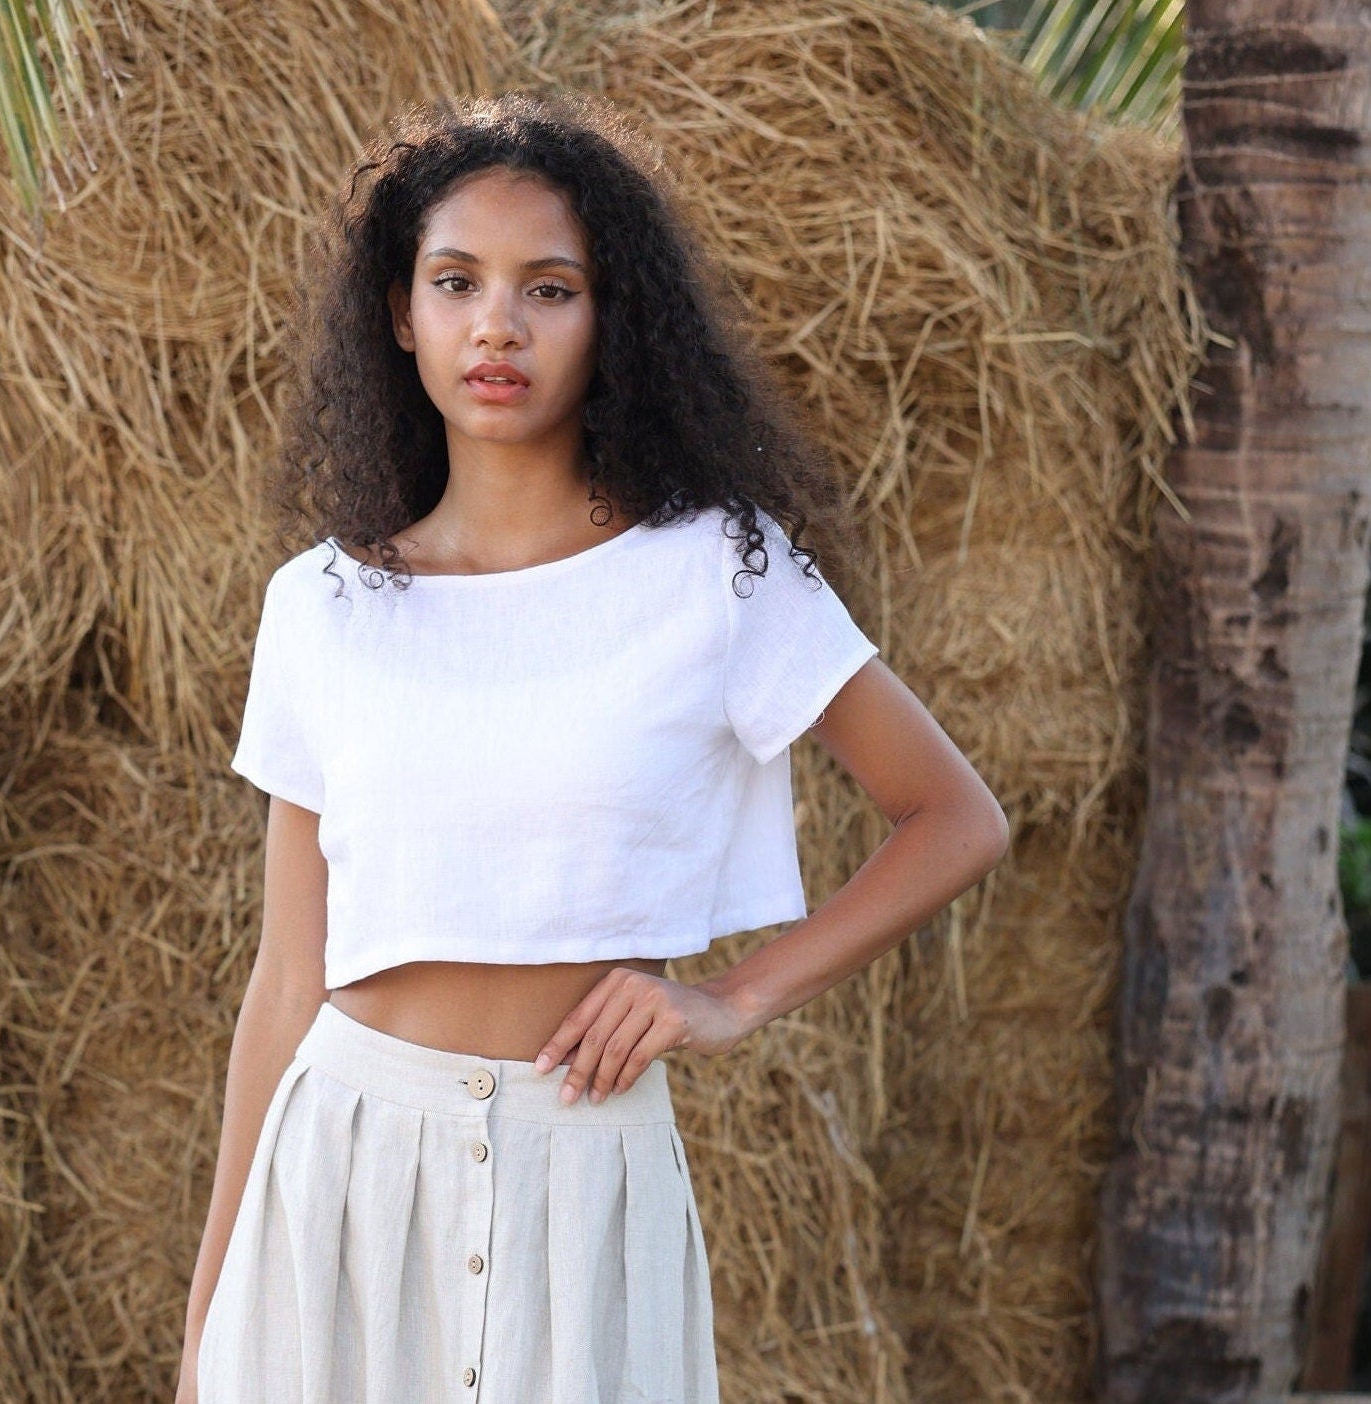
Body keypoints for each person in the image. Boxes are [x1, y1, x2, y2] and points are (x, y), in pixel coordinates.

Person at [176, 89, 1008, 1404]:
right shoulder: (322, 606)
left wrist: (732, 998)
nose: (495, 323)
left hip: (587, 1175)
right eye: (455, 281)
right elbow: (287, 980)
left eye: (547, 288)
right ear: (404, 315)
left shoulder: (716, 577)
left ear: (608, 318)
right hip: (337, 1172)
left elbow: (955, 816)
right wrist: (210, 1322)